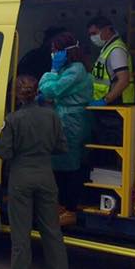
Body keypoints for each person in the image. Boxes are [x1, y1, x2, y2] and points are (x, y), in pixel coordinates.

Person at [0, 75, 71, 269]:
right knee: (52, 231)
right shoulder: (51, 116)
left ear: (17, 95)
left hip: (21, 177)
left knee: (21, 232)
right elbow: (62, 147)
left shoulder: (13, 119)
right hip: (46, 176)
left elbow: (4, 152)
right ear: (37, 90)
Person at [38, 32, 92, 226]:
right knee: (61, 166)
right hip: (66, 119)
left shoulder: (75, 70)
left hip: (71, 122)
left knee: (70, 168)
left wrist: (51, 71)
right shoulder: (71, 68)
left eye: (55, 51)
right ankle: (61, 206)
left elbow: (49, 90)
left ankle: (70, 209)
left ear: (64, 52)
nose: (53, 54)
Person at [87, 16, 135, 106]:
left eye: (94, 33)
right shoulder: (108, 48)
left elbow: (123, 80)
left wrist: (106, 100)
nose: (92, 37)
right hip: (110, 103)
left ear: (107, 30)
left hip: (116, 103)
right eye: (90, 35)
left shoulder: (116, 50)